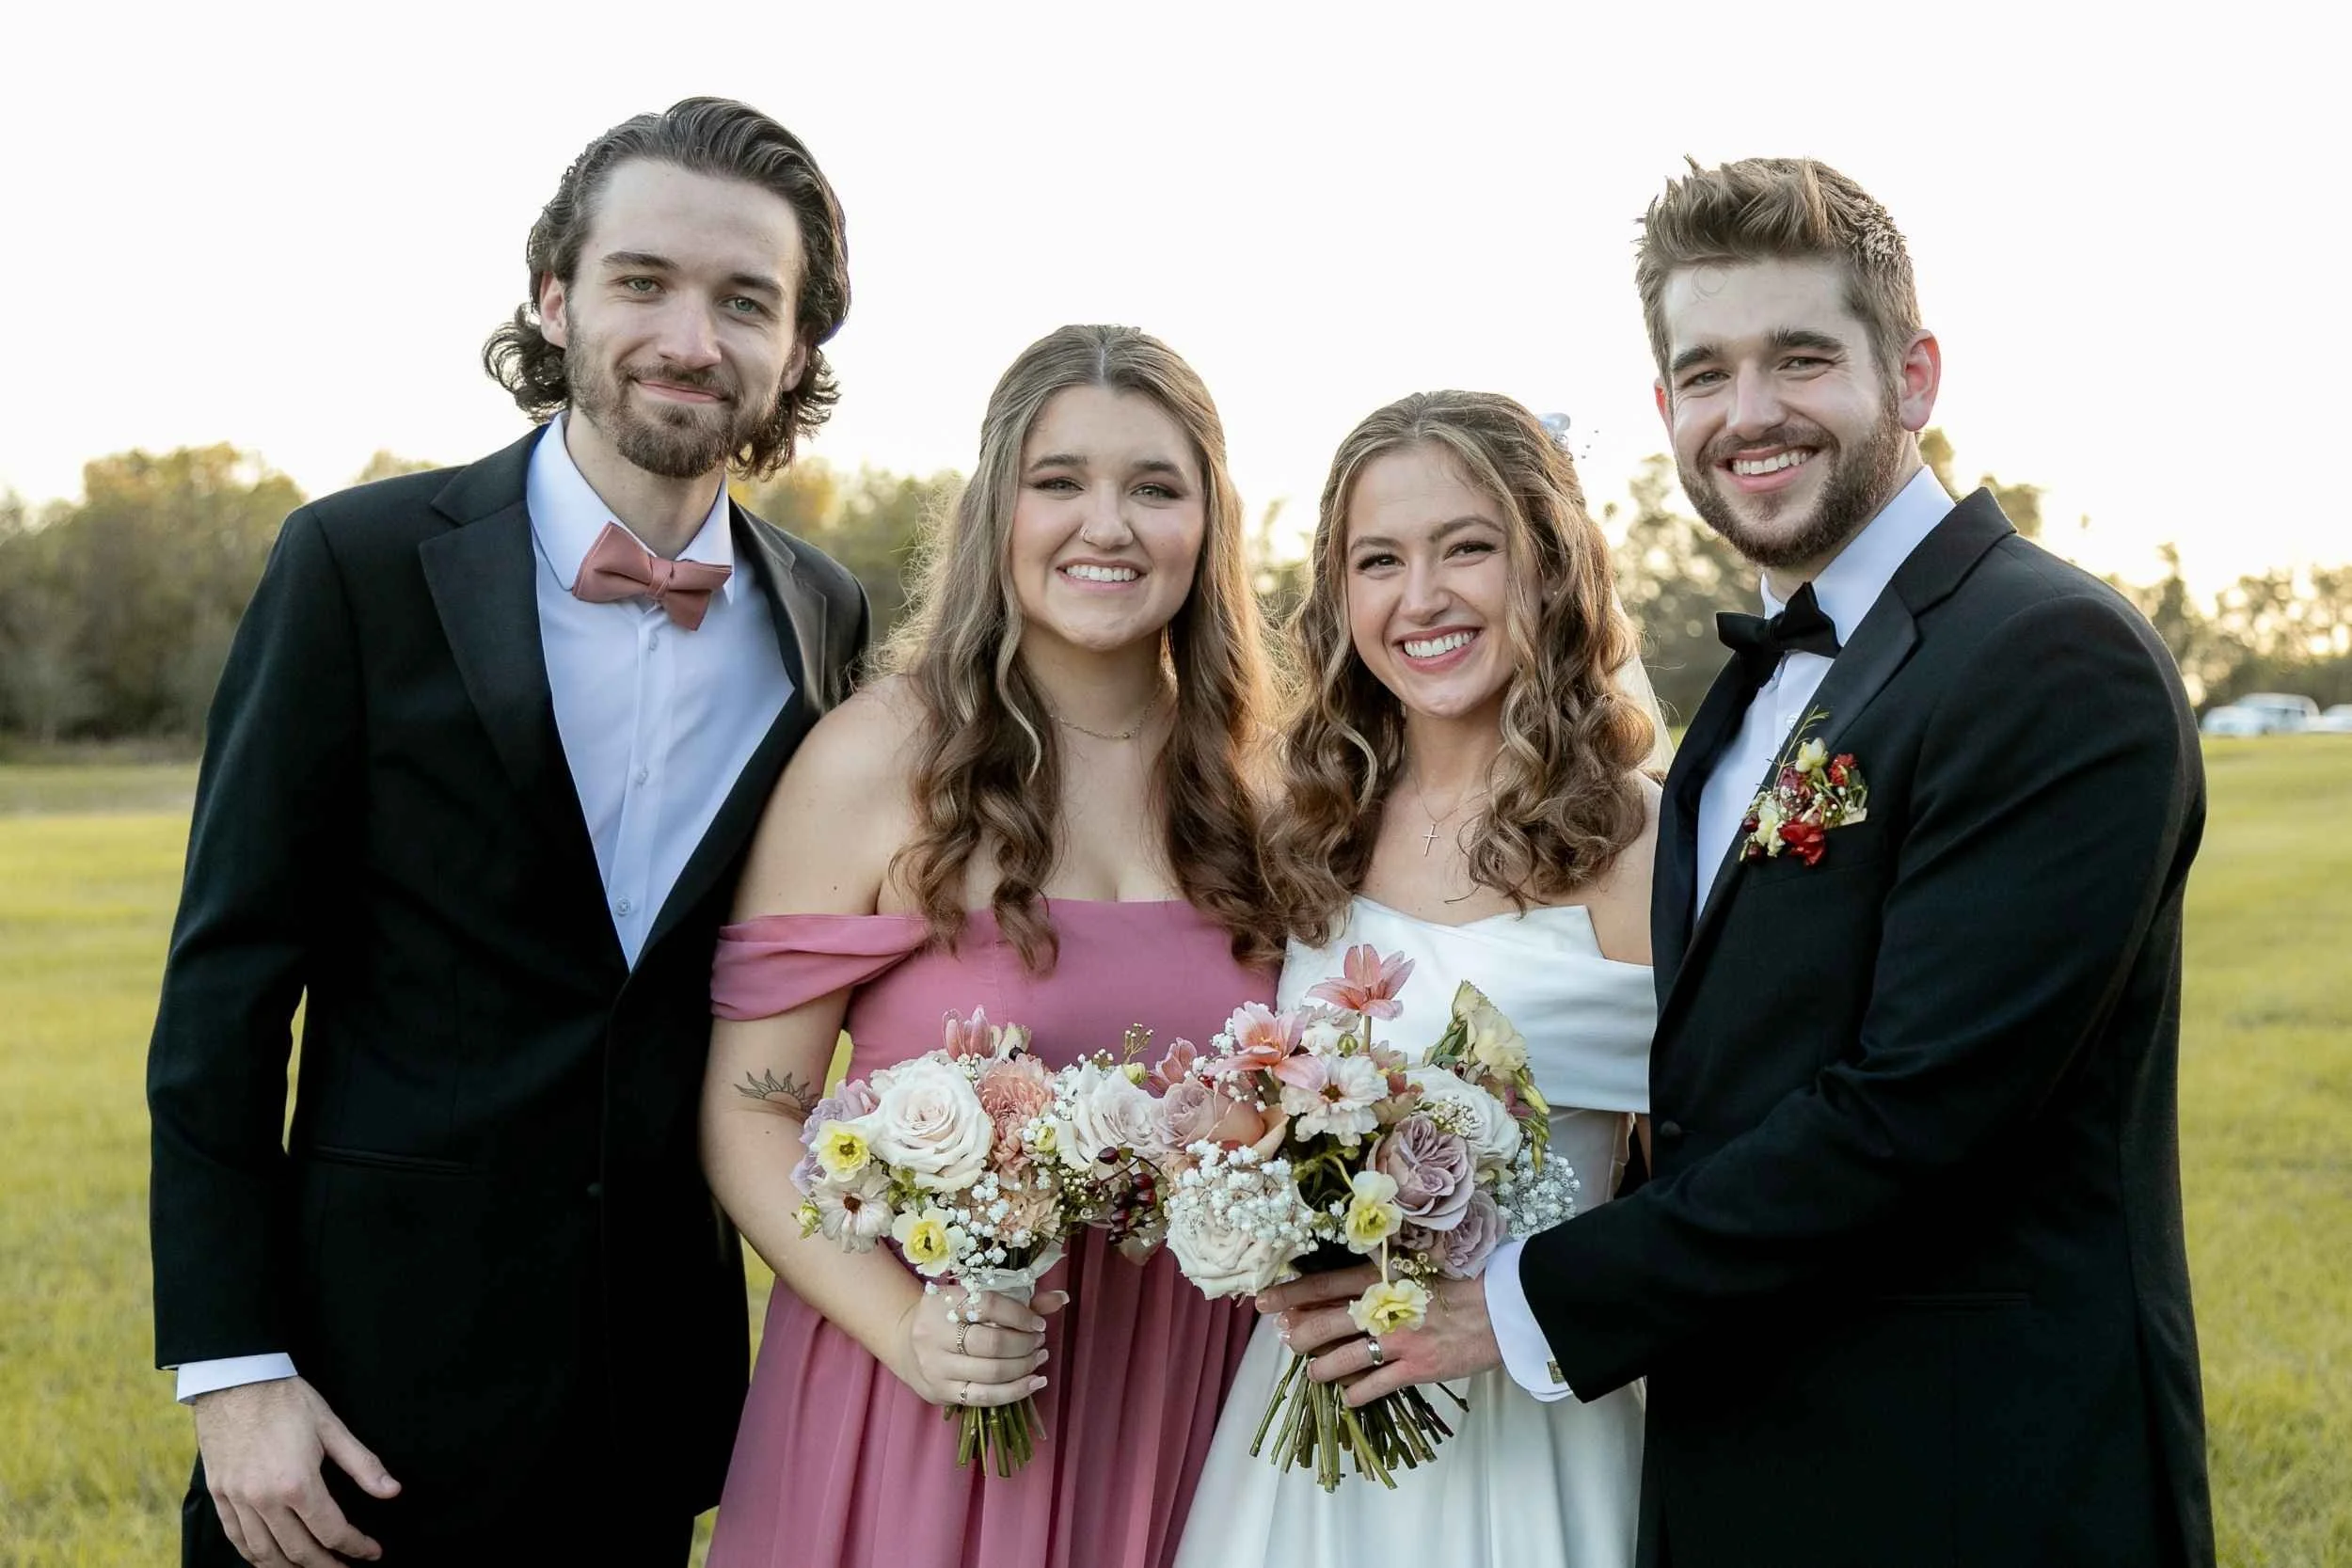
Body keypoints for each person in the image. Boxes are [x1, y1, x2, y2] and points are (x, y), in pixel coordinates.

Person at [1272, 157, 2216, 1568]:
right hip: (1736, 1450)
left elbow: (1914, 1114)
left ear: (1915, 374)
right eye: (1705, 372)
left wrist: (1520, 1297)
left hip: (1981, 1471)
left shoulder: (2051, 658)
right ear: (1666, 412)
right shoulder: (1740, 717)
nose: (1750, 411)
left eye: (1801, 358)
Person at [146, 98, 866, 1567]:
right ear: (555, 296)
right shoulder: (354, 563)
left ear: (795, 350)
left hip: (641, 1405)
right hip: (353, 1395)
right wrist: (233, 1367)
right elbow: (224, 990)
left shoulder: (822, 617)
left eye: (747, 301)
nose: (691, 335)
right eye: (642, 281)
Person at [699, 323, 1282, 1568]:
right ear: (994, 509)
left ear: (1209, 523)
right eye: (1060, 480)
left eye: (1156, 487)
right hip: (926, 1399)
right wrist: (911, 1331)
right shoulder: (879, 757)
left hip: (1190, 1403)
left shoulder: (1264, 785)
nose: (1107, 525)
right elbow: (755, 1110)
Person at [1173, 390, 1662, 1566]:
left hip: (1538, 1418)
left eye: (1468, 547)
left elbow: (1725, 1167)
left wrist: (1514, 1308)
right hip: (1305, 1433)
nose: (1421, 597)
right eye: (1378, 559)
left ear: (1548, 567)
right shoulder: (1311, 823)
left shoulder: (1640, 845)